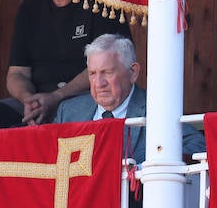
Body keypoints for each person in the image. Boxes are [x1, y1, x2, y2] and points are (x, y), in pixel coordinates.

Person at [0, 0, 132, 130]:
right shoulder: (30, 8)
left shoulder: (99, 3)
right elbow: (17, 73)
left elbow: (108, 67)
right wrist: (29, 101)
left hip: (85, 97)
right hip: (37, 100)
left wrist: (56, 97)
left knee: (70, 114)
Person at [54, 34, 206, 169]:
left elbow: (199, 145)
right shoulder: (68, 112)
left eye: (107, 72)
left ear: (133, 72)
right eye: (93, 74)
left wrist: (145, 168)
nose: (99, 83)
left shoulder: (156, 109)